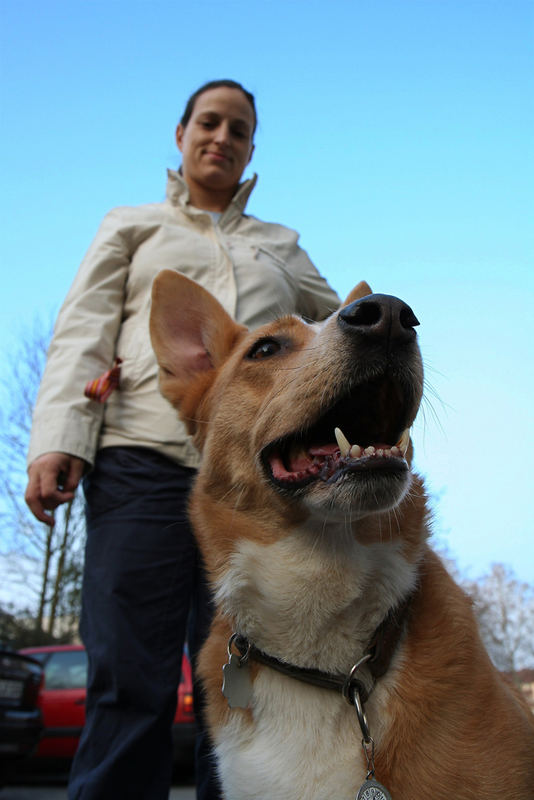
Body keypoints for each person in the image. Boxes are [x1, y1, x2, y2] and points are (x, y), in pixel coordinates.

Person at [25, 79, 340, 800]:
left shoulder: (281, 247)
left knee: (244, 680)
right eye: (209, 122)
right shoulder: (130, 226)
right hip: (139, 460)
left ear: (252, 149)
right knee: (127, 675)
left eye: (238, 129)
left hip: (249, 483)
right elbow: (82, 331)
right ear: (181, 134)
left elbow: (335, 326)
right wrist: (59, 439)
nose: (221, 138)